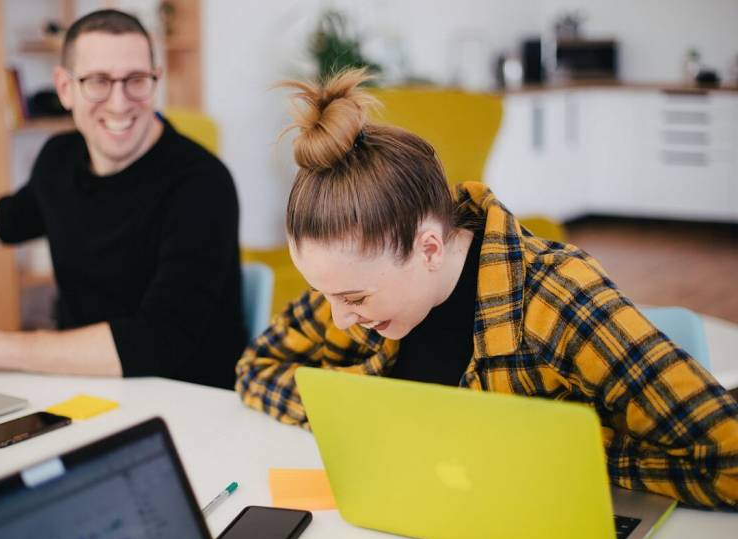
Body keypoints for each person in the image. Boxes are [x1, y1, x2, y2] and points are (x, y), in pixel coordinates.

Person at [235, 68, 738, 508]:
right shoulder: (355, 284)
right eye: (325, 294)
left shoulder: (558, 298)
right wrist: (366, 417)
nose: (338, 317)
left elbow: (728, 459)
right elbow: (256, 369)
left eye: (354, 299)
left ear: (429, 248)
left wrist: (568, 453)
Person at [0, 10, 245, 388]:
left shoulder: (203, 184)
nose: (119, 103)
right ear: (65, 88)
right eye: (98, 81)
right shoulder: (59, 159)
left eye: (136, 80)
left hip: (188, 403)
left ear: (156, 81)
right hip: (82, 388)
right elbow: (9, 217)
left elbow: (159, 340)